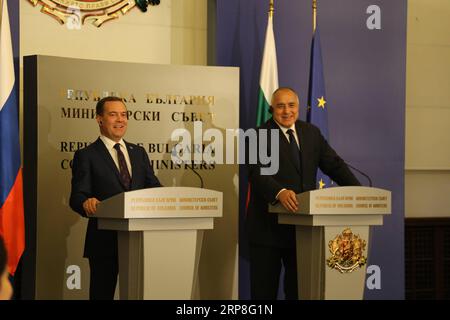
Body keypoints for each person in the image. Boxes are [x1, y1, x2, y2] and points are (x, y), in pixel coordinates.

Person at [246, 87, 361, 299]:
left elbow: (334, 165)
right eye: (280, 106)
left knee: (299, 292)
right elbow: (256, 173)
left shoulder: (311, 133)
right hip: (267, 230)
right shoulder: (258, 135)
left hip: (303, 231)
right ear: (272, 109)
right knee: (264, 294)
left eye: (291, 105)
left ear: (298, 107)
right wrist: (278, 191)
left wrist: (359, 191)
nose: (286, 111)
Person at [69, 96, 162, 300]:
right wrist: (87, 202)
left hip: (140, 241)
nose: (120, 120)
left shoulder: (138, 153)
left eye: (124, 114)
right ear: (99, 119)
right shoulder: (87, 155)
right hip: (104, 243)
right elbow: (77, 196)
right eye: (113, 114)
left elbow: (155, 188)